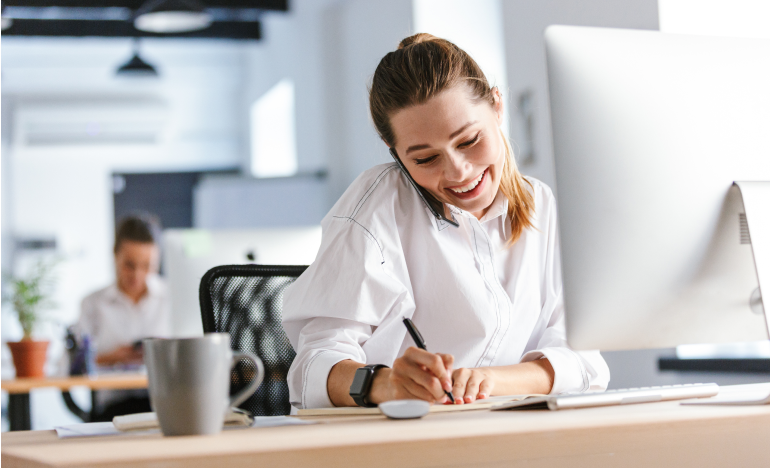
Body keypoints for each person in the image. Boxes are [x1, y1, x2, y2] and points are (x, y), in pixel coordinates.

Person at [281, 33, 610, 410]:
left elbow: (583, 361)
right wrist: (384, 384)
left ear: (497, 107)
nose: (458, 172)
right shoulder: (376, 208)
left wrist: (488, 381)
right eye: (424, 159)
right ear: (397, 154)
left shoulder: (541, 207)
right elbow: (311, 369)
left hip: (506, 432)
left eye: (469, 140)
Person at [76, 214, 171, 420]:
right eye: (129, 264)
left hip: (165, 404)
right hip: (112, 409)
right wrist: (111, 358)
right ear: (115, 255)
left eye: (147, 266)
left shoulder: (172, 298)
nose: (137, 275)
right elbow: (73, 366)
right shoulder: (93, 303)